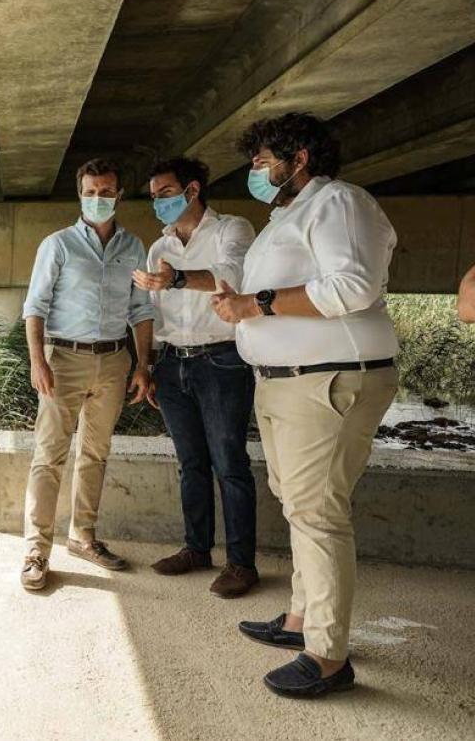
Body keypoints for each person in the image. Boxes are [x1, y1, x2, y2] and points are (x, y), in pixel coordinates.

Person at [211, 112, 399, 697]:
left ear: (300, 160)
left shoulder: (337, 202)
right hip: (290, 380)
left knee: (318, 514)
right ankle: (300, 621)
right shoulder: (288, 215)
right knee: (300, 504)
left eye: (264, 160)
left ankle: (327, 657)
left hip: (326, 379)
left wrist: (257, 304)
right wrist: (243, 306)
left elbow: (352, 286)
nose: (255, 171)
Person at [19, 157, 155, 592]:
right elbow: (34, 308)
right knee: (49, 455)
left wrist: (143, 365)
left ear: (119, 194)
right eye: (91, 192)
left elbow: (141, 310)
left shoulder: (133, 247)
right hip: (64, 360)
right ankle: (36, 551)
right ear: (81, 194)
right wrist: (38, 361)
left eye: (107, 191)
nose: (99, 199)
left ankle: (83, 537)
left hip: (115, 361)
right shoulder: (57, 245)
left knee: (96, 453)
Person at [133, 156, 259, 598]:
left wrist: (179, 278)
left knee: (230, 463)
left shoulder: (232, 229)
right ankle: (197, 549)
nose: (158, 203)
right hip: (172, 363)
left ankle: (241, 564)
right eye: (153, 197)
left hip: (223, 360)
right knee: (190, 463)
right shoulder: (159, 247)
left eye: (165, 193)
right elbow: (149, 311)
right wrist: (145, 365)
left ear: (192, 190)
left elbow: (234, 277)